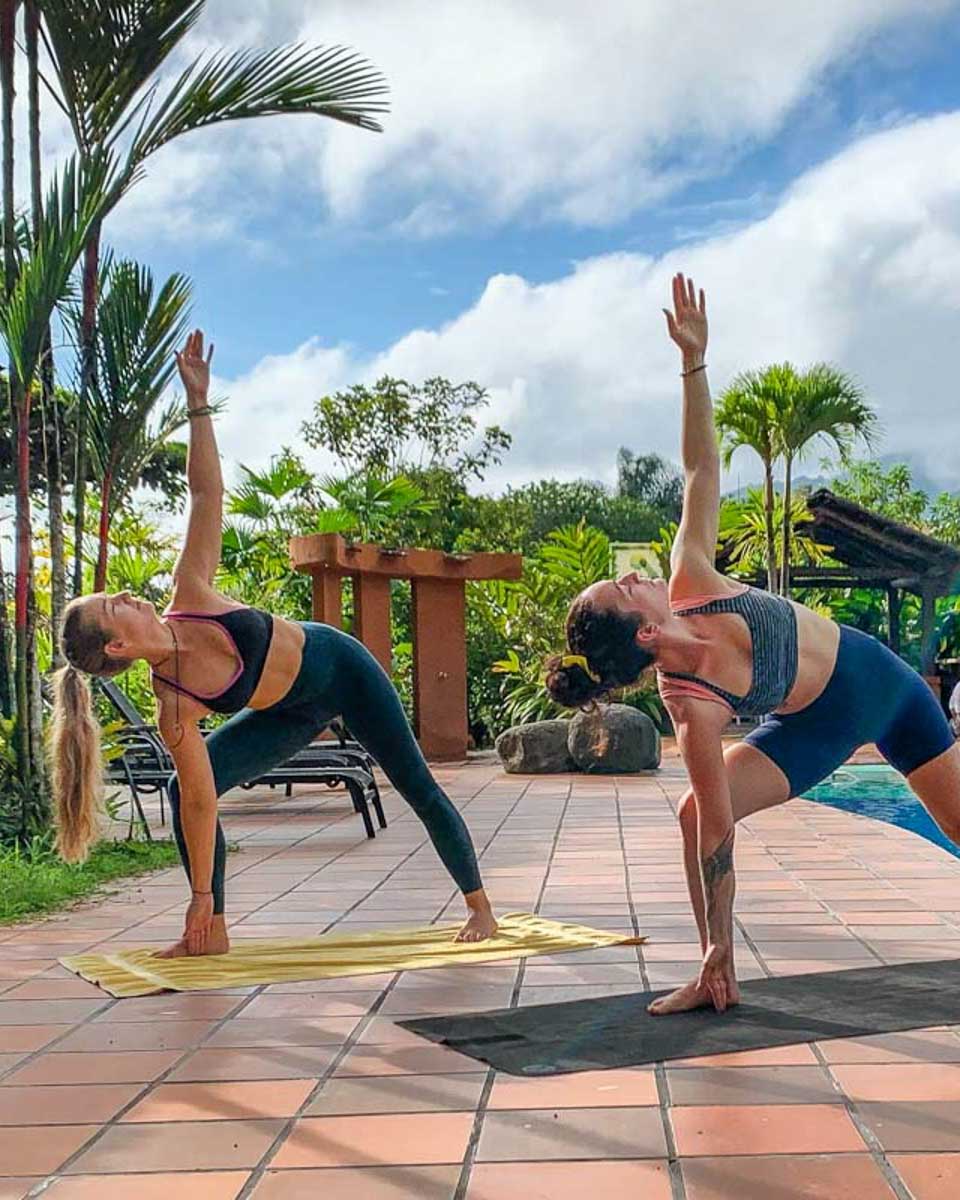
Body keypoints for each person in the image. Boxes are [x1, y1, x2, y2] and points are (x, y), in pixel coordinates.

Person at [546, 274, 960, 1016]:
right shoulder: (691, 707)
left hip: (883, 688)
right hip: (815, 727)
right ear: (643, 631)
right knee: (696, 815)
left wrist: (693, 363)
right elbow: (715, 831)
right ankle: (716, 971)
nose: (636, 574)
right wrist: (720, 938)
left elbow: (701, 467)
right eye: (625, 587)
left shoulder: (694, 575)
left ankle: (715, 964)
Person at [49, 330, 498, 957]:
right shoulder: (174, 705)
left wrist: (198, 404)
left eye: (117, 594)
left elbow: (206, 495)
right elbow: (202, 803)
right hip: (289, 712)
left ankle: (481, 909)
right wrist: (201, 899)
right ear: (118, 646)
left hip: (340, 669)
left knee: (416, 782)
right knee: (186, 790)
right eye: (113, 607)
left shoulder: (191, 591)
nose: (126, 597)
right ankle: (216, 929)